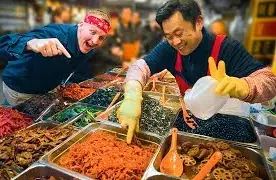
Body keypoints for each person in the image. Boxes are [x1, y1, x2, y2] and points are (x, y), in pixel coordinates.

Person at [117, 0, 276, 144]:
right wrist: (132, 96)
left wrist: (243, 86)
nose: (176, 42)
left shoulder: (228, 48)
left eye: (179, 34)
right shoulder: (169, 49)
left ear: (198, 22)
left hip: (231, 123)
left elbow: (269, 82)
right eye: (169, 37)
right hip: (191, 121)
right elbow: (140, 67)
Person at [0, 10, 111, 106]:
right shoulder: (55, 33)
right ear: (81, 25)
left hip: (50, 87)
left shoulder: (88, 46)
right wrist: (30, 43)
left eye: (101, 38)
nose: (95, 41)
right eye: (93, 32)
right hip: (22, 89)